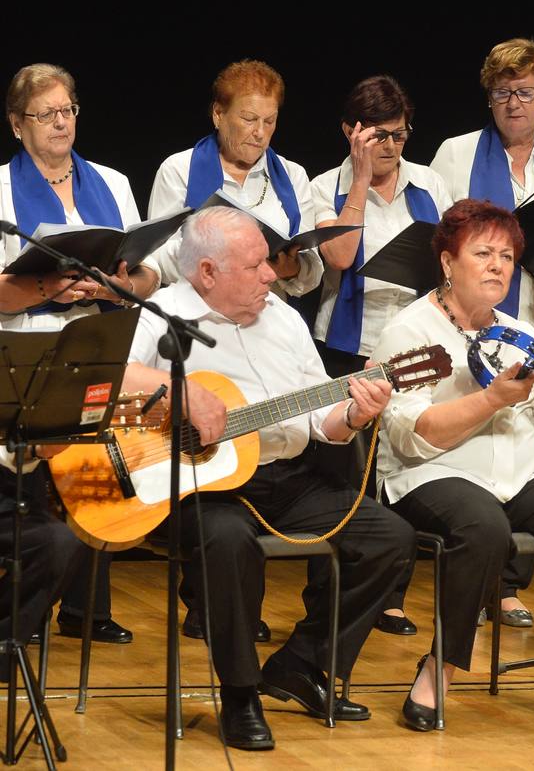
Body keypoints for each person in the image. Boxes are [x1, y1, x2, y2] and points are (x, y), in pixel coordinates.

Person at [119, 206, 415, 750]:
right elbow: (112, 382)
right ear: (207, 272)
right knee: (230, 542)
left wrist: (352, 414)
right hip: (194, 484)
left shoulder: (284, 319)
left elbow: (318, 418)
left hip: (286, 478)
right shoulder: (163, 313)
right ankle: (240, 692)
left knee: (389, 539)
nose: (271, 275)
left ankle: (302, 664)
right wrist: (181, 394)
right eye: (255, 265)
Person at [369, 199, 534, 733]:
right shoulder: (408, 328)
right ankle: (440, 668)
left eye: (507, 256)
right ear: (446, 262)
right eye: (482, 253)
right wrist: (492, 400)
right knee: (483, 525)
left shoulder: (515, 328)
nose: (497, 266)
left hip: (519, 473)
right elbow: (414, 435)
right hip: (434, 472)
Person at [429, 37, 534, 627]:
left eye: (524, 93)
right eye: (502, 93)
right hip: (481, 322)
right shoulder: (455, 153)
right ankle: (478, 572)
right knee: (482, 437)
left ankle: (506, 584)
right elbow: (442, 233)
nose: (513, 104)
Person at [1, 63, 160, 646]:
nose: (61, 122)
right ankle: (30, 607)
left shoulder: (113, 183)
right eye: (46, 114)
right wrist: (49, 287)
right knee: (37, 473)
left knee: (95, 461)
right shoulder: (1, 185)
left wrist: (114, 286)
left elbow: (147, 271)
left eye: (68, 110)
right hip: (27, 341)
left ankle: (87, 607)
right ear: (18, 125)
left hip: (99, 335)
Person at [308, 74, 452, 637]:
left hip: (414, 343)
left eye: (399, 134)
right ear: (351, 132)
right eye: (378, 136)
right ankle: (331, 590)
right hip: (349, 342)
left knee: (400, 467)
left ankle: (390, 595)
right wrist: (362, 178)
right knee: (344, 476)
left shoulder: (430, 183)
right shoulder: (326, 186)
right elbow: (341, 257)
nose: (392, 146)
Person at [148, 59, 321, 298]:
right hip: (199, 315)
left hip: (268, 314)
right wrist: (220, 259)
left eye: (269, 121)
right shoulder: (178, 169)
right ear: (218, 114)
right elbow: (157, 258)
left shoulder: (293, 175)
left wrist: (292, 268)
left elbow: (311, 268)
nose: (260, 132)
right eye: (249, 119)